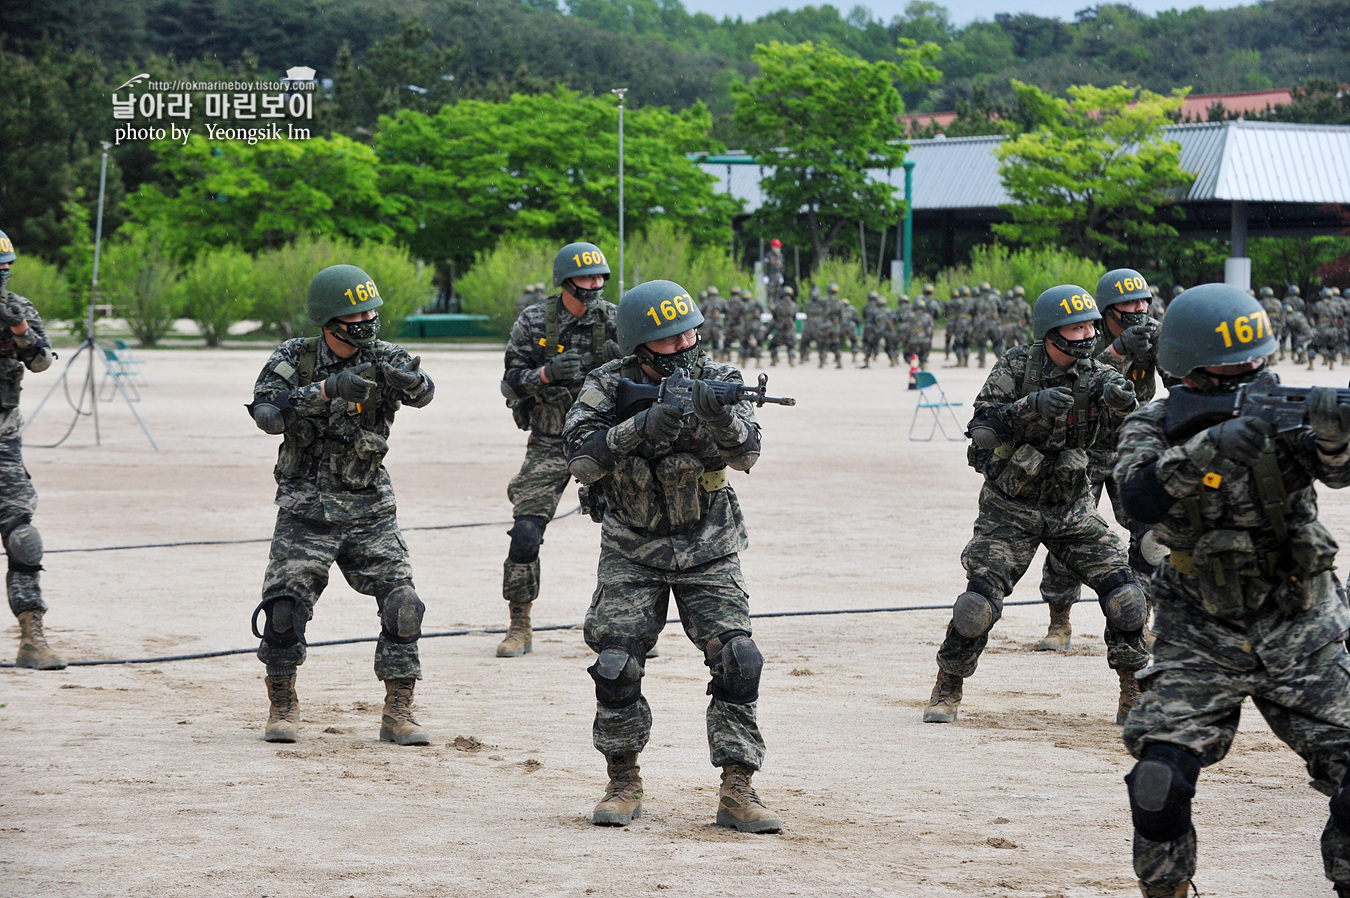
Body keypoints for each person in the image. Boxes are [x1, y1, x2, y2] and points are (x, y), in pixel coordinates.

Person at [1114, 283, 1350, 898]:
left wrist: (1331, 433)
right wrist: (1208, 448)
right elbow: (1135, 500)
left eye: (1257, 364)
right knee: (1158, 783)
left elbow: (1339, 470)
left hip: (1302, 626)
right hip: (1200, 633)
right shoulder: (1156, 422)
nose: (1252, 376)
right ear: (1189, 372)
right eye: (1233, 371)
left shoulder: (1287, 408)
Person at [563, 280, 781, 834]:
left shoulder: (721, 380)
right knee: (617, 665)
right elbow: (580, 461)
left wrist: (718, 418)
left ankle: (738, 788)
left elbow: (748, 452)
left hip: (708, 546)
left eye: (690, 333)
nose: (684, 345)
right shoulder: (606, 384)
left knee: (739, 659)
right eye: (668, 339)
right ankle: (622, 780)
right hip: (632, 549)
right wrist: (638, 427)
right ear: (640, 345)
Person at [923, 284, 1149, 724]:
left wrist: (1124, 408)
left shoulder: (1100, 372)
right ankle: (948, 684)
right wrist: (1030, 407)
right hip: (1010, 509)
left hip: (1072, 509)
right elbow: (982, 429)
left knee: (1127, 597)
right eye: (1077, 327)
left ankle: (1133, 690)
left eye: (1090, 326)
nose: (1087, 335)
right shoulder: (1015, 366)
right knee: (976, 606)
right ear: (1051, 332)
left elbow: (1131, 427)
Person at [247, 264, 435, 744]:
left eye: (373, 310)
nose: (368, 319)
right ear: (330, 321)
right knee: (284, 611)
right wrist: (327, 390)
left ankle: (399, 709)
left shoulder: (383, 354)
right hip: (306, 510)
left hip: (369, 504)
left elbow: (425, 393)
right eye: (357, 313)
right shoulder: (294, 358)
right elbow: (268, 414)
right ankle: (283, 703)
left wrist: (409, 382)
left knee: (404, 605)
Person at [498, 242, 621, 657]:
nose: (595, 285)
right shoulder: (534, 321)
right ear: (566, 281)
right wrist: (545, 374)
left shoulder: (618, 320)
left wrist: (621, 361)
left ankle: (624, 627)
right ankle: (519, 623)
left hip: (604, 439)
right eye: (587, 278)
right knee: (526, 532)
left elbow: (649, 374)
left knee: (630, 532)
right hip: (550, 440)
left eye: (600, 277)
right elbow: (510, 382)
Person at [1036, 269, 1161, 655]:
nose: (1140, 309)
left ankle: (1141, 615)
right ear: (1109, 310)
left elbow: (1181, 382)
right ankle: (1060, 618)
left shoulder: (1153, 331)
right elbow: (1078, 379)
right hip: (1083, 448)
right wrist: (1119, 350)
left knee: (1152, 536)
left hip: (1130, 446)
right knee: (1066, 533)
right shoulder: (1081, 332)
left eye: (1144, 301)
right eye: (1130, 303)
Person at [0, 229, 62, 669]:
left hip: (3, 438)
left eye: (5, 269)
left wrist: (18, 327)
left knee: (23, 536)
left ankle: (31, 637)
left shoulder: (18, 308)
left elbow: (40, 362)